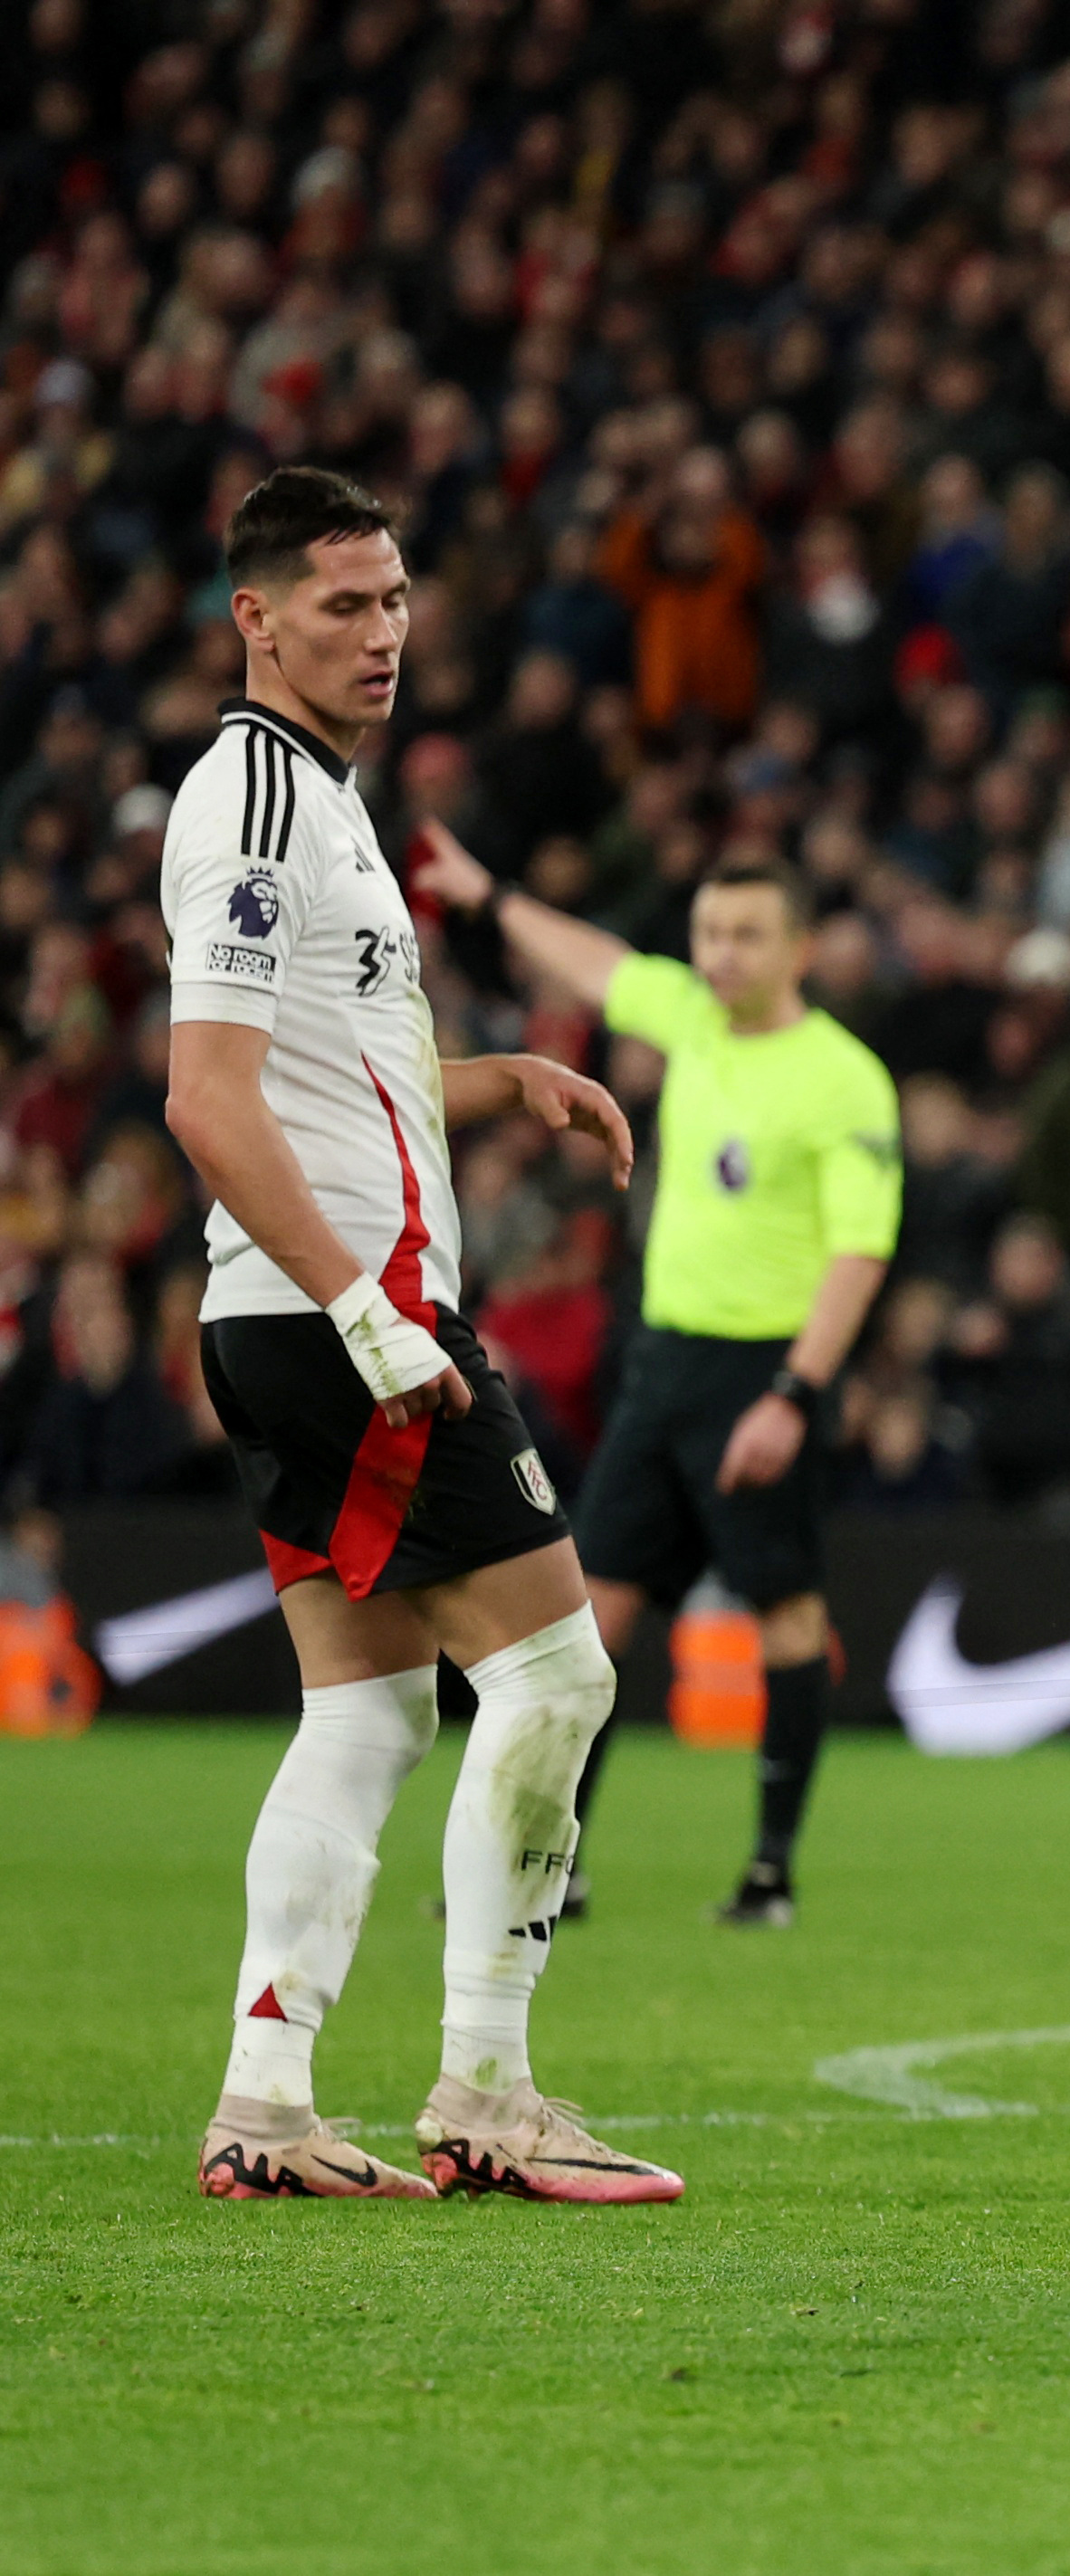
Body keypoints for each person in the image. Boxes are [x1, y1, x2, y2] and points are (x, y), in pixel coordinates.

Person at [169, 468, 679, 2203]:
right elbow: (207, 1100)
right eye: (341, 606)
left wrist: (497, 1082)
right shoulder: (251, 802)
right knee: (560, 1671)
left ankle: (267, 2101)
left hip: (297, 1315)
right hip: (341, 1320)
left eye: (394, 601)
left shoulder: (320, 799)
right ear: (256, 619)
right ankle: (490, 2090)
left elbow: (326, 1084)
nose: (382, 635)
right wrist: (368, 1315)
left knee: (374, 1716)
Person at [411, 835, 903, 1931]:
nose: (720, 956)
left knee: (784, 1612)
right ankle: (551, 1865)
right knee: (593, 1617)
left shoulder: (843, 1078)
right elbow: (595, 964)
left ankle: (770, 1873)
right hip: (665, 1363)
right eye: (709, 934)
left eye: (746, 935)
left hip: (763, 1366)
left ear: (801, 949)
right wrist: (491, 891)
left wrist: (797, 1392)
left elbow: (859, 1251)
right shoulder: (692, 1017)